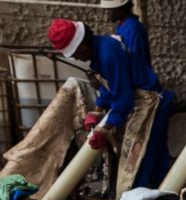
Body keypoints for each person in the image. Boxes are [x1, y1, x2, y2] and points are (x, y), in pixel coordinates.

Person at [48, 19, 173, 191]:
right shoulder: (101, 51)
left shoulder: (108, 54)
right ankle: (160, 195)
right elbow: (110, 88)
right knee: (149, 156)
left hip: (151, 101)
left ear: (83, 44)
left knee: (139, 159)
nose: (77, 58)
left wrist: (103, 128)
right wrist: (97, 111)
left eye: (76, 53)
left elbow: (123, 99)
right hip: (141, 101)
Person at [99, 0, 152, 68]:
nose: (106, 13)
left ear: (119, 8)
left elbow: (137, 65)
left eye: (109, 9)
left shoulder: (134, 29)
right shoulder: (122, 26)